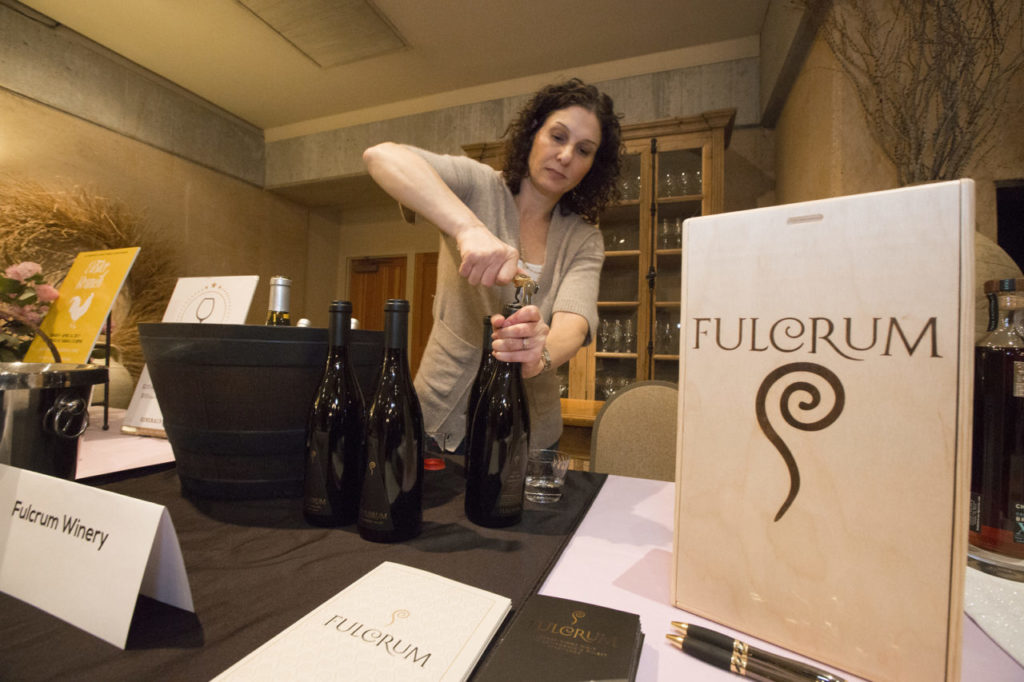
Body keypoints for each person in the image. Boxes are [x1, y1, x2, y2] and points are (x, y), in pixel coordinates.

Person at [362, 78, 622, 451]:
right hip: (442, 412)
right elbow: (382, 156)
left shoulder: (583, 237)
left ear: (592, 167)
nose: (566, 156)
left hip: (529, 430)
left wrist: (540, 354)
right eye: (558, 137)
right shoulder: (478, 186)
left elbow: (575, 321)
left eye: (583, 150)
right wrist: (467, 228)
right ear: (534, 133)